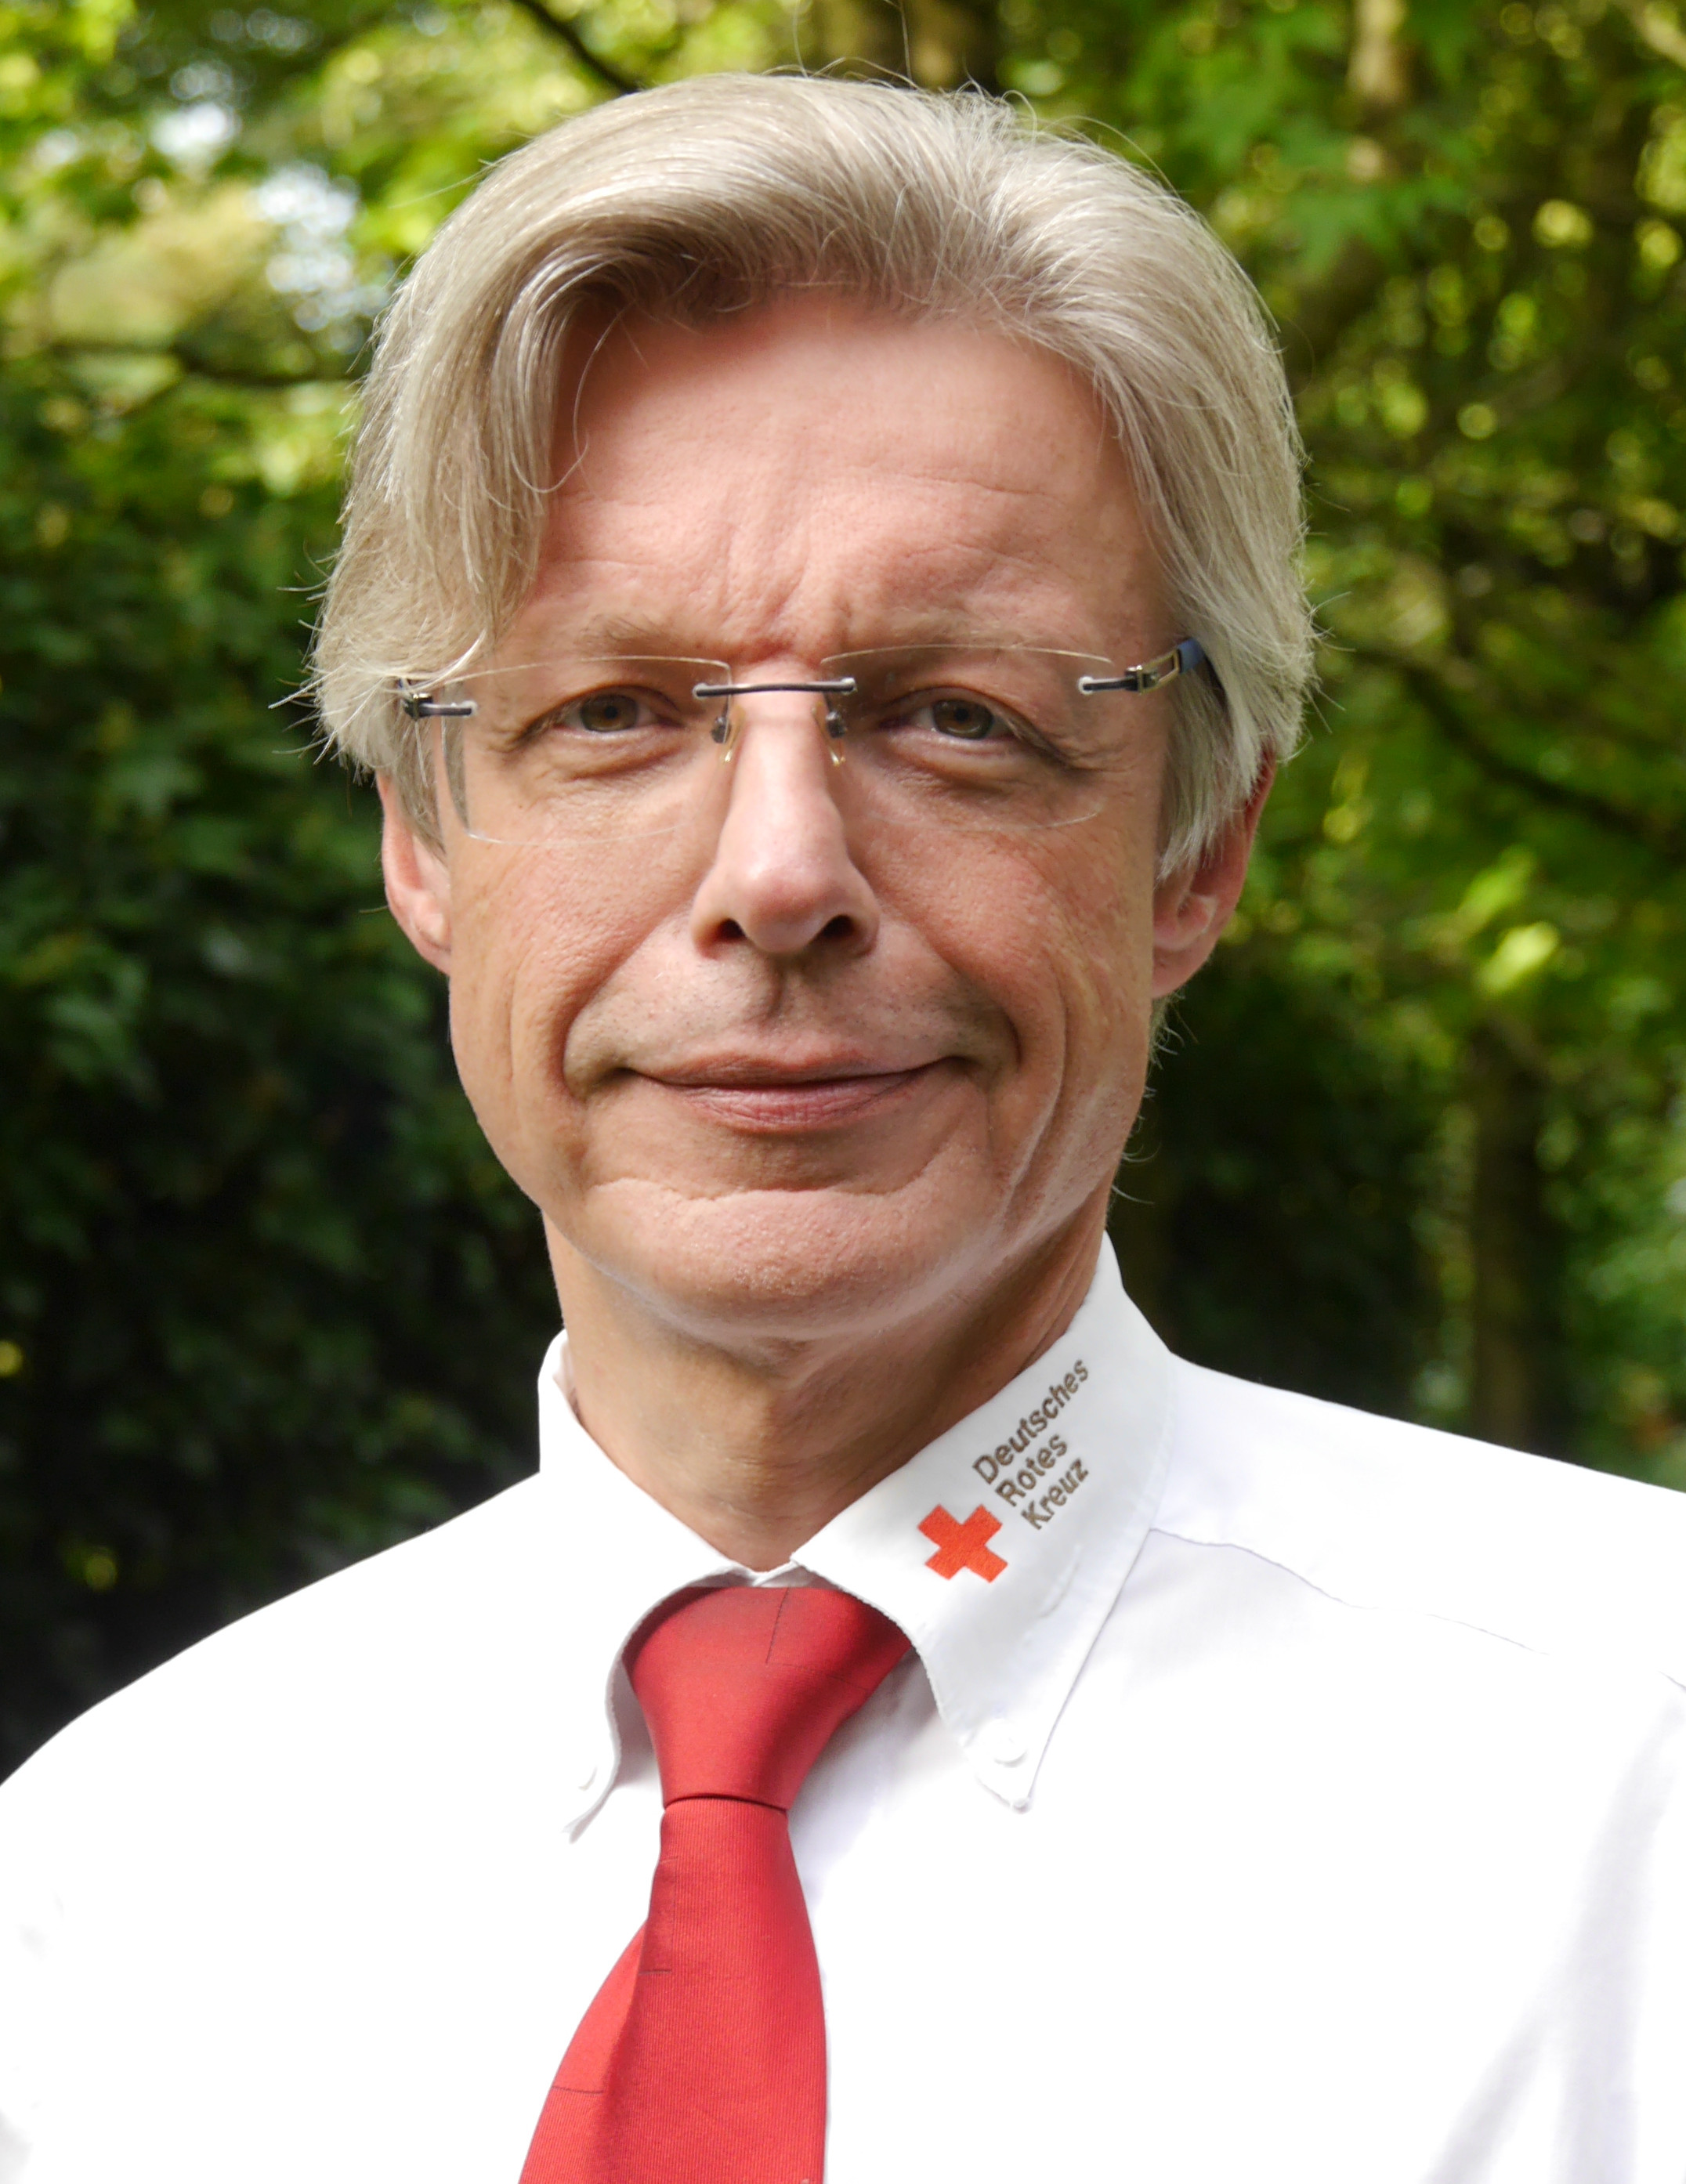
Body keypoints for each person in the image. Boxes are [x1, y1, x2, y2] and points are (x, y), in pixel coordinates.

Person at [2, 71, 1684, 2184]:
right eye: (614, 712)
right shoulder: (104, 1900)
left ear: (1197, 848)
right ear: (424, 838)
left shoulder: (1638, 1783)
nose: (778, 872)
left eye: (956, 715)